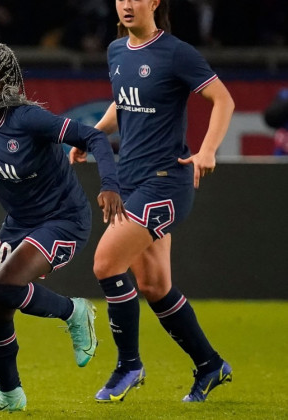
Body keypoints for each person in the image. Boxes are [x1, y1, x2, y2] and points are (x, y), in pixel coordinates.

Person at [0, 42, 126, 412]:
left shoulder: (28, 119)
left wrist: (109, 185)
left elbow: (93, 137)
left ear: (4, 85)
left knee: (4, 286)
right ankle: (10, 396)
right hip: (20, 223)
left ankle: (74, 311)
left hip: (63, 219)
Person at [69, 0, 235, 403]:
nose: (126, 4)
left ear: (154, 2)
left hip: (166, 183)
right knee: (155, 285)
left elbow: (224, 100)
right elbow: (122, 103)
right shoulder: (116, 50)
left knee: (107, 262)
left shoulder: (176, 52)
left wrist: (209, 149)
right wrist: (91, 136)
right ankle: (210, 364)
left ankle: (129, 365)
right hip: (131, 182)